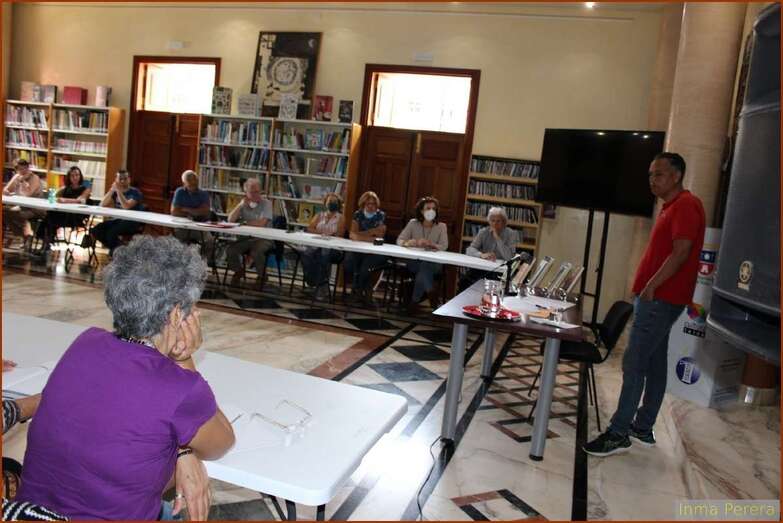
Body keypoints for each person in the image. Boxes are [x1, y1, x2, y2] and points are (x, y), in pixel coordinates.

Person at [15, 236, 235, 520]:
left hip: (29, 514)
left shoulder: (86, 342)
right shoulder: (180, 387)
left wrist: (183, 452)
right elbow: (222, 443)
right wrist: (183, 360)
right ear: (177, 312)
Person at [584, 152, 705, 457]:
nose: (652, 180)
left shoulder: (687, 205)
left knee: (633, 362)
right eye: (650, 174)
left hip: (660, 298)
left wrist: (650, 286)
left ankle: (618, 432)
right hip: (657, 298)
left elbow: (681, 252)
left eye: (659, 174)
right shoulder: (671, 207)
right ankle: (642, 424)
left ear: (676, 176)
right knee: (654, 362)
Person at [397, 196, 448, 309]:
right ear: (421, 210)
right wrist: (410, 242)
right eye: (428, 208)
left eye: (434, 209)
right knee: (423, 268)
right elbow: (399, 240)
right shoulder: (413, 223)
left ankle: (414, 302)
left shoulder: (441, 226)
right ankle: (432, 297)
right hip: (414, 262)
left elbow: (444, 246)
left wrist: (432, 244)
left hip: (434, 264)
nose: (431, 211)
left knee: (425, 267)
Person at [226, 178, 274, 288]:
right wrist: (240, 205)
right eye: (252, 192)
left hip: (264, 238)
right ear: (246, 193)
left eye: (258, 191)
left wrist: (243, 222)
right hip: (247, 239)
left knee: (256, 251)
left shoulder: (267, 203)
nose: (256, 194)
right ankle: (238, 271)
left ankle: (262, 275)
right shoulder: (243, 204)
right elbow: (230, 220)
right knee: (230, 250)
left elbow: (261, 223)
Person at [458, 207, 518, 291]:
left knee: (491, 288)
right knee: (463, 282)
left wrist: (497, 238)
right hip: (483, 268)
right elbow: (470, 249)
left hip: (500, 271)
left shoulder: (511, 234)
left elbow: (509, 257)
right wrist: (482, 255)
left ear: (504, 222)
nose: (495, 224)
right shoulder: (483, 232)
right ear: (489, 221)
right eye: (492, 221)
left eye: (498, 221)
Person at [88, 170, 145, 256]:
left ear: (129, 179)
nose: (122, 181)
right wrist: (111, 190)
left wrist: (118, 191)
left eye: (125, 179)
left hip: (132, 221)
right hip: (118, 220)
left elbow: (126, 206)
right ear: (116, 180)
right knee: (96, 230)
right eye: (120, 179)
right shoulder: (115, 192)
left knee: (111, 233)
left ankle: (116, 251)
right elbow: (102, 204)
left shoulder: (135, 192)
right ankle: (119, 249)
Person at [344, 191, 387, 305]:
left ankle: (357, 291)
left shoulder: (381, 215)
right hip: (358, 249)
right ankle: (366, 292)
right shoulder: (357, 214)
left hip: (376, 251)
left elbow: (379, 237)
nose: (371, 206)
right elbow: (352, 235)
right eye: (368, 204)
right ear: (363, 204)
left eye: (373, 204)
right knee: (351, 262)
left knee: (365, 267)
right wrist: (371, 232)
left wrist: (360, 235)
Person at [37, 166, 91, 252]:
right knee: (50, 215)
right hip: (63, 215)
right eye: (72, 176)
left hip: (75, 217)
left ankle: (47, 242)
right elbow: (52, 197)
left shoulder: (85, 189)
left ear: (80, 176)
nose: (75, 177)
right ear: (68, 177)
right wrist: (54, 195)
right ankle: (47, 242)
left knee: (50, 218)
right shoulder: (65, 188)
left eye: (77, 175)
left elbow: (81, 200)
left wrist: (65, 200)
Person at [301, 192, 346, 296]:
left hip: (334, 248)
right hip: (316, 244)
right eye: (330, 201)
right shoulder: (319, 215)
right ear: (325, 203)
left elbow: (339, 234)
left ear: (338, 204)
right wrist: (324, 233)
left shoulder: (341, 218)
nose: (332, 203)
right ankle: (312, 281)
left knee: (323, 254)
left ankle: (322, 286)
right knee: (306, 253)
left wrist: (327, 235)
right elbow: (309, 229)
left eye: (334, 202)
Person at [170, 170, 214, 259]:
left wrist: (185, 209)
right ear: (184, 183)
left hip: (199, 226)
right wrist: (194, 211)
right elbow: (174, 211)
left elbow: (205, 211)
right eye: (190, 183)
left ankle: (202, 264)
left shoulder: (203, 193)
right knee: (176, 242)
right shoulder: (179, 192)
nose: (194, 185)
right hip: (182, 227)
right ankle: (181, 265)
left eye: (195, 182)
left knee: (210, 241)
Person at [2, 159, 44, 248]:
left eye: (25, 168)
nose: (23, 171)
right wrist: (6, 191)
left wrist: (22, 181)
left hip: (35, 208)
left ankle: (27, 233)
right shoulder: (17, 176)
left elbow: (27, 194)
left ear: (28, 168)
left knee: (18, 214)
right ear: (17, 170)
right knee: (3, 212)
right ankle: (24, 235)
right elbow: (6, 189)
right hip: (22, 206)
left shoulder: (34, 178)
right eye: (20, 169)